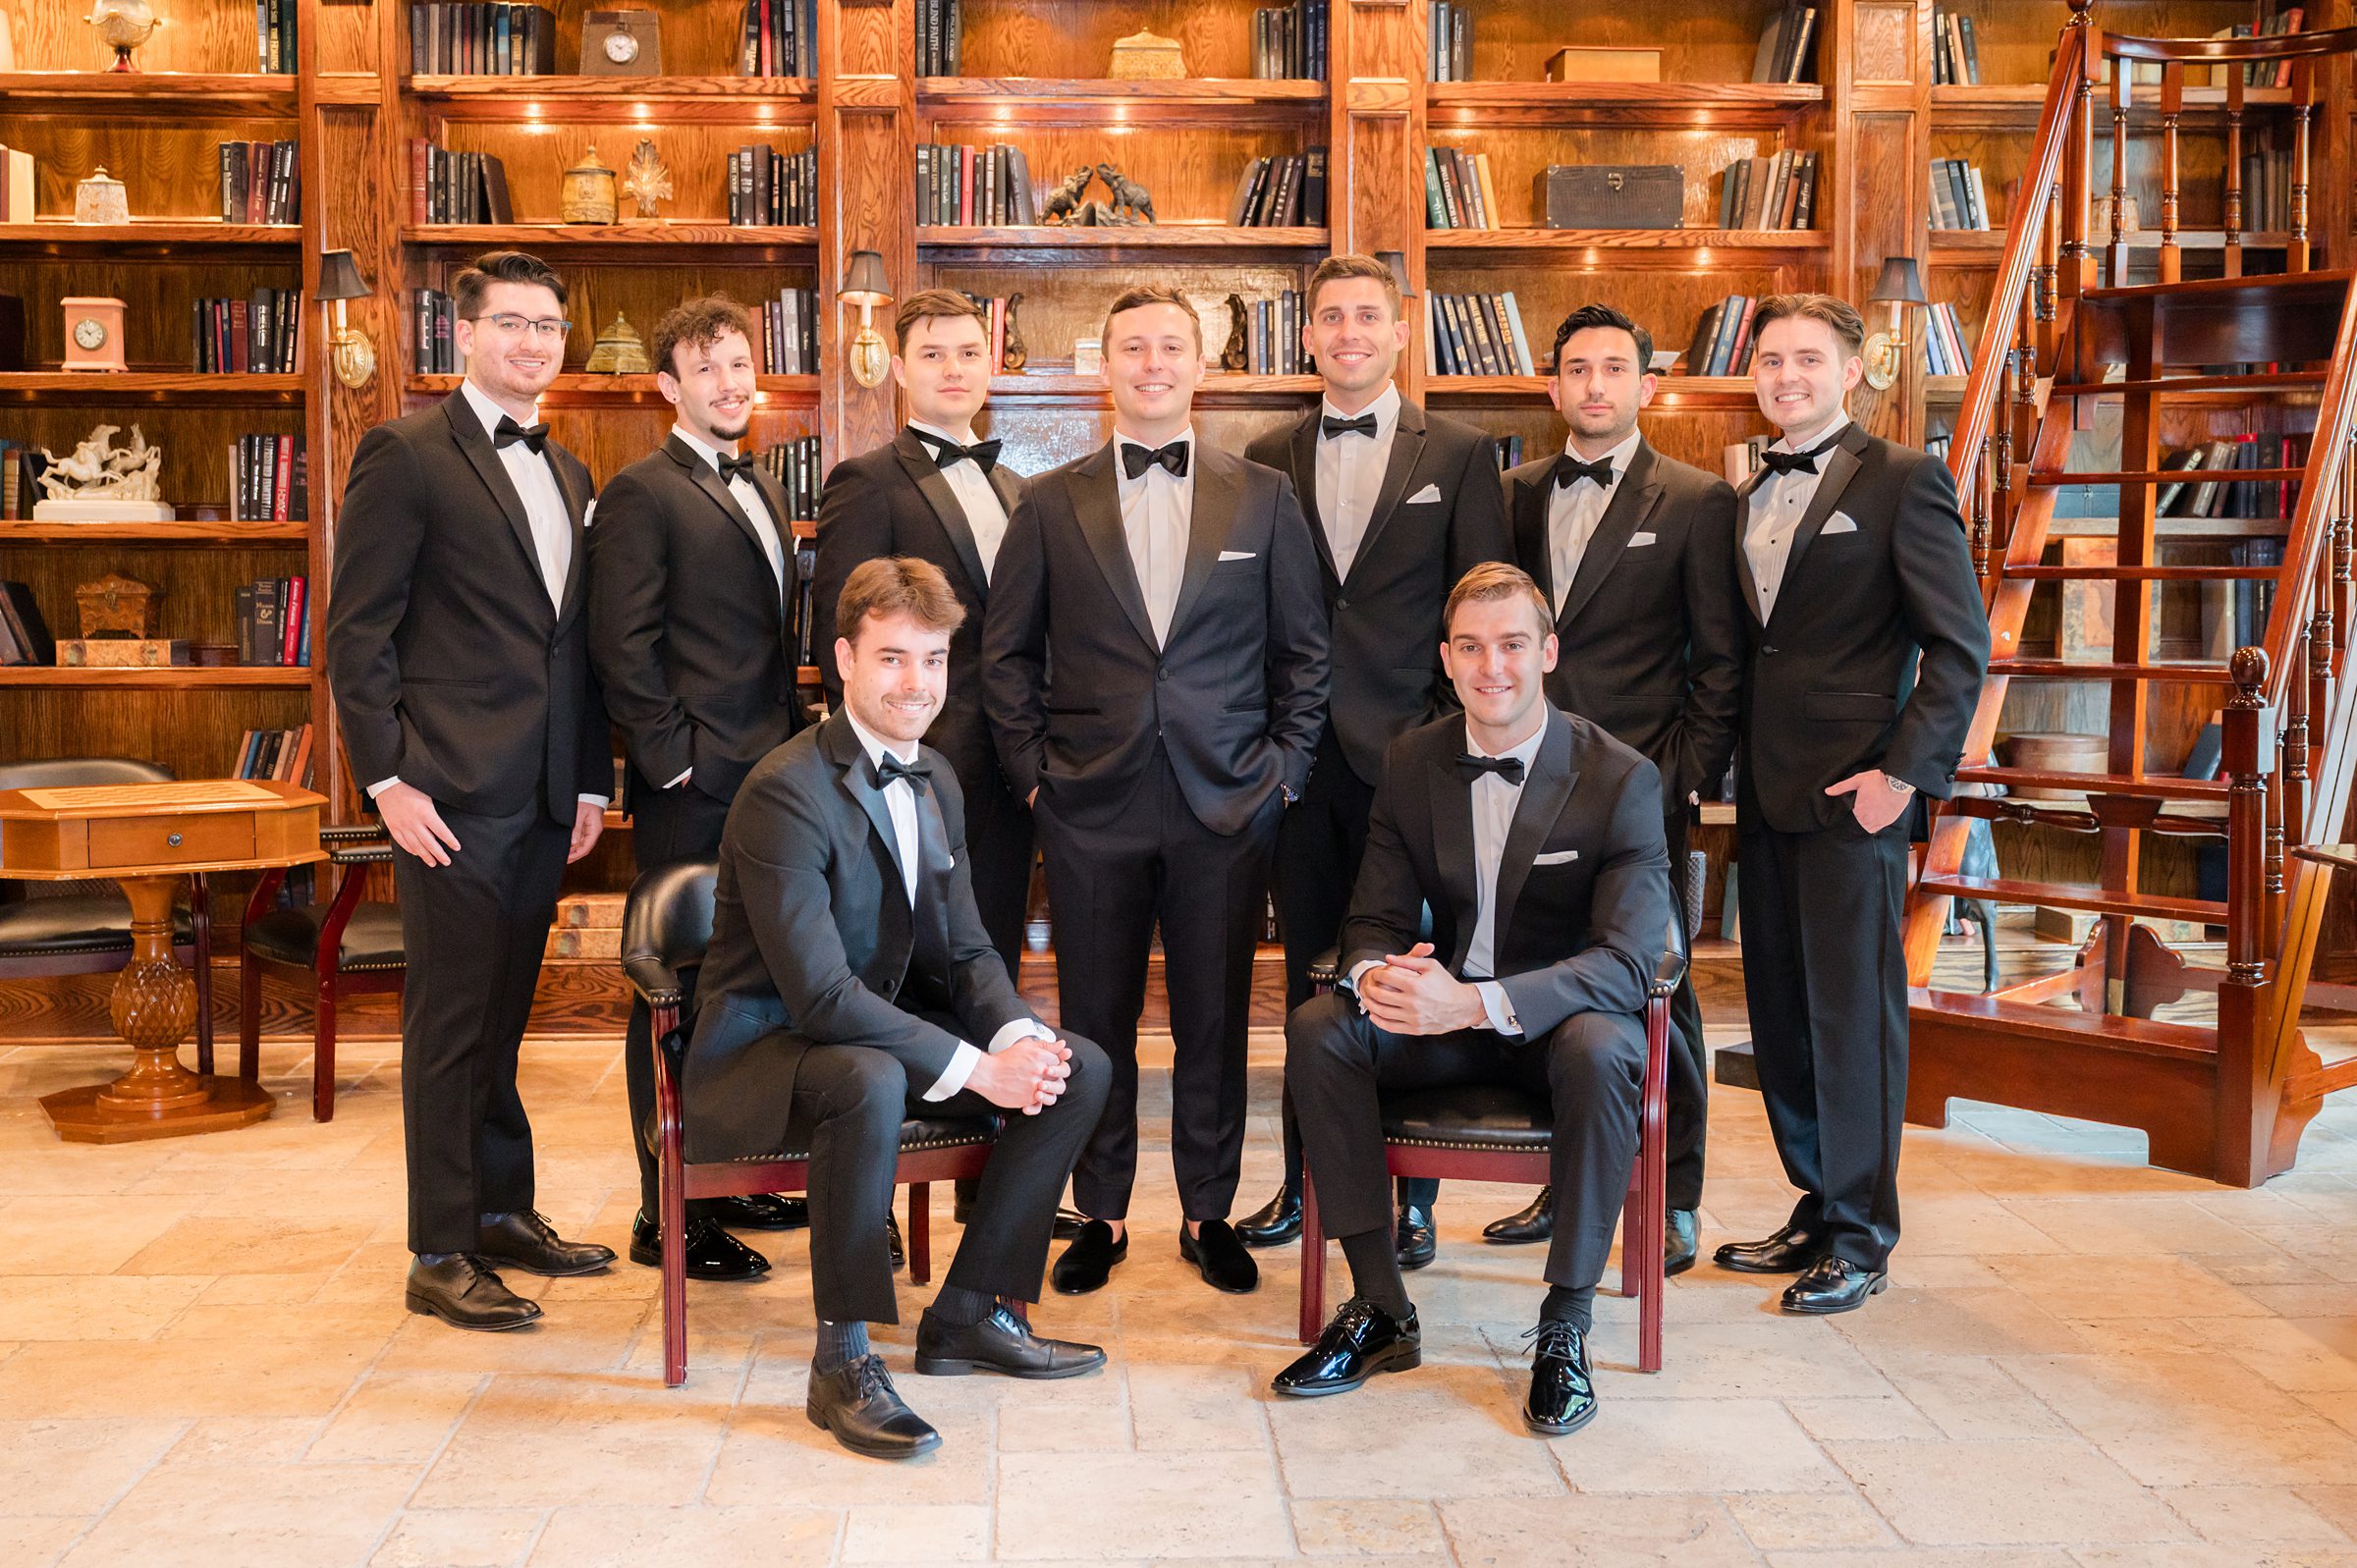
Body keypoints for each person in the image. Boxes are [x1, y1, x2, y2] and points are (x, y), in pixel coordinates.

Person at [683, 557, 1113, 1461]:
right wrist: (974, 1069)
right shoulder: (783, 790)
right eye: (891, 658)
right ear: (843, 658)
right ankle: (842, 1360)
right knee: (870, 1076)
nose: (916, 683)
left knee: (1080, 1066)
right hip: (763, 1051)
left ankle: (967, 1313)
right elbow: (821, 994)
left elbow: (963, 951)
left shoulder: (939, 779)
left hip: (864, 1036)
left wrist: (1017, 1038)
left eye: (933, 659)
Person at [983, 285, 1330, 1297]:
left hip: (1227, 801)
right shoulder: (1049, 502)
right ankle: (1101, 1209)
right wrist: (1036, 780)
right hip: (1088, 802)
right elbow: (1006, 660)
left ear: (1202, 364)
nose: (1151, 363)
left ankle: (1208, 1207)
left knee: (1215, 1019)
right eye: (1133, 346)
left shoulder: (1262, 496)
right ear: (1106, 365)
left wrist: (1284, 772)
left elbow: (1303, 655)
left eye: (1170, 346)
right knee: (1094, 1019)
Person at [1277, 562, 1670, 1436]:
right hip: (1445, 1020)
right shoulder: (1413, 760)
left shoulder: (1619, 777)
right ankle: (1381, 1307)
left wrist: (1480, 1002)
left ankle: (1564, 1327)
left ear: (1548, 652)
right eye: (1471, 647)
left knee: (1608, 1046)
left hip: (1560, 1025)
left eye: (1513, 645)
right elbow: (1372, 916)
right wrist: (1375, 972)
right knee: (1321, 1027)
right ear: (1447, 660)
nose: (1493, 666)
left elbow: (1630, 961)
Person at [325, 250, 616, 1330]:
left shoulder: (573, 472)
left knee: (503, 1017)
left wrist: (590, 781)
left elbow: (571, 646)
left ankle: (502, 1212)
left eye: (549, 324)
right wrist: (388, 779)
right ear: (465, 334)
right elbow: (359, 636)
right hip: (441, 792)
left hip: (541, 796)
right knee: (449, 1022)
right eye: (512, 323)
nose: (534, 341)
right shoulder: (404, 453)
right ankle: (440, 1247)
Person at [1712, 293, 1987, 1314]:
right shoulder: (1748, 489)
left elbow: (1961, 646)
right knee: (1781, 1013)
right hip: (1765, 793)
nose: (1787, 375)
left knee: (1853, 1019)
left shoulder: (1907, 479)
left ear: (1853, 368)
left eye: (1808, 359)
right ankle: (1817, 1199)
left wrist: (1904, 778)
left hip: (1854, 796)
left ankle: (1864, 1234)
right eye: (1771, 360)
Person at [1236, 253, 1510, 1267]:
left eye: (1367, 316)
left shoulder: (1464, 451)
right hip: (1303, 763)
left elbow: (1480, 601)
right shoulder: (1265, 454)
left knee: (1407, 978)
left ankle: (1414, 1197)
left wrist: (1440, 736)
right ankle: (1307, 1182)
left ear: (1400, 332)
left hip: (1417, 764)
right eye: (1330, 318)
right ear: (1306, 338)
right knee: (1313, 979)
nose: (1348, 333)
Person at [1491, 302, 1741, 1273]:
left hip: (1637, 795)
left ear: (1647, 386)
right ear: (1552, 387)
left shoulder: (1695, 500)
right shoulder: (1510, 492)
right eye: (1576, 370)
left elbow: (1718, 669)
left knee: (1658, 994)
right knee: (1547, 986)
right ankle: (1572, 1179)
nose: (1594, 386)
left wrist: (1670, 784)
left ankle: (1673, 1199)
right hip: (1520, 786)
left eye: (1613, 368)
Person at [587, 296, 812, 1286]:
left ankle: (722, 1177)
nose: (729, 381)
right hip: (694, 785)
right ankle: (661, 1207)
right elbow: (620, 645)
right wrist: (673, 757)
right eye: (706, 368)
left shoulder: (757, 481)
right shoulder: (644, 490)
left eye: (739, 363)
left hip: (765, 778)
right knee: (674, 992)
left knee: (745, 985)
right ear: (669, 387)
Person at [812, 289, 1033, 982]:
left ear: (989, 365)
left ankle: (991, 1087)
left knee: (992, 950)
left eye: (969, 353)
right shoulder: (868, 482)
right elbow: (837, 638)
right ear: (901, 369)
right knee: (914, 958)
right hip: (920, 760)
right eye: (933, 355)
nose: (953, 369)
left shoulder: (1018, 488)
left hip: (1014, 767)